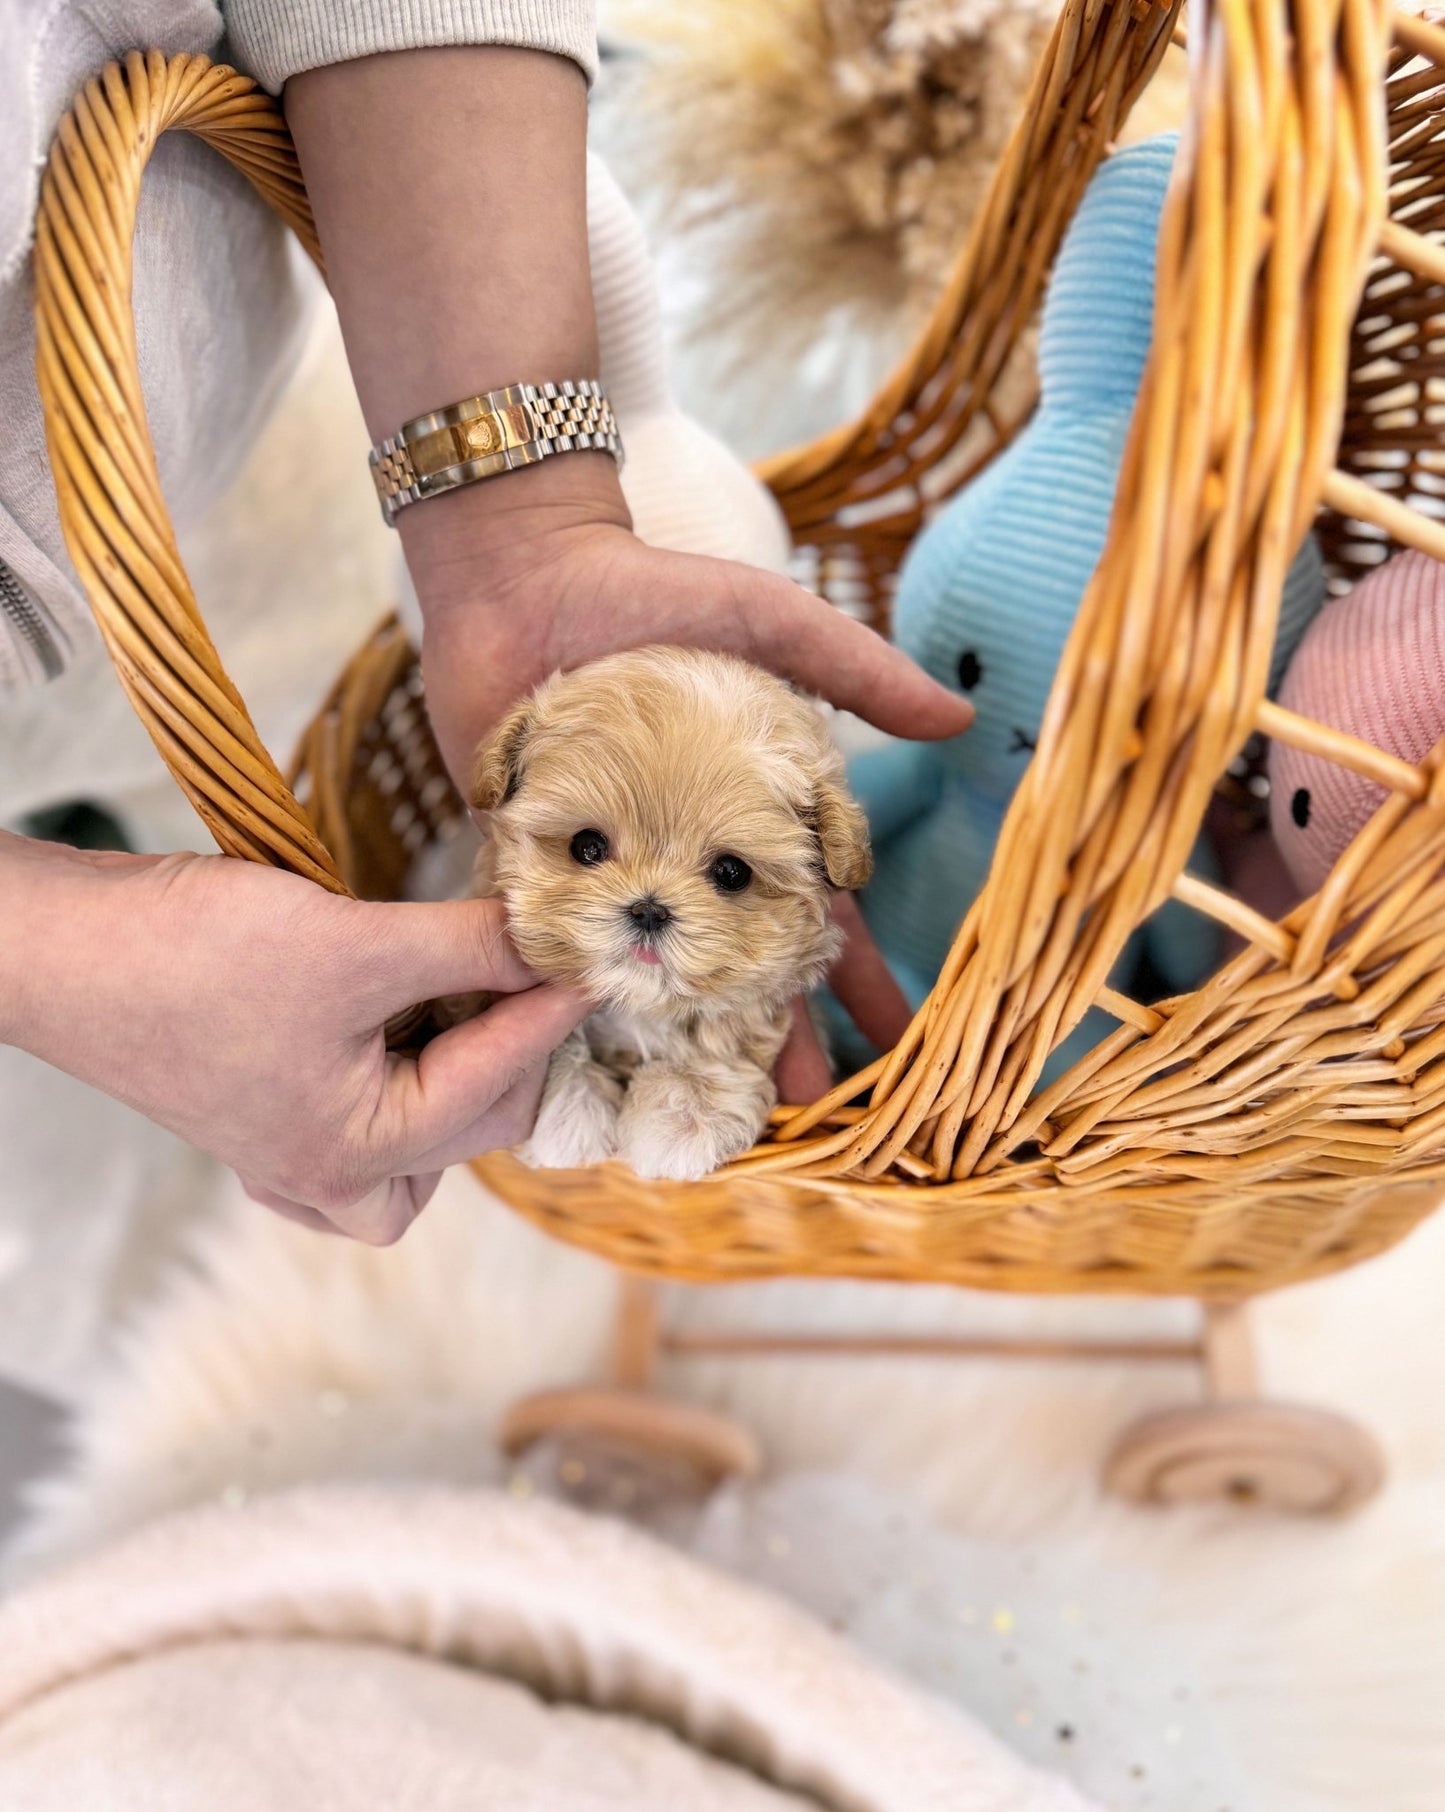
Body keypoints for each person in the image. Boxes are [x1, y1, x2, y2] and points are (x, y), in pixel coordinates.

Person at [0, 3, 971, 1246]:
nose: (648, 908)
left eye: (724, 874)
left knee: (275, 713)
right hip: (172, 499)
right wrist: (57, 958)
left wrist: (512, 525)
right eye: (587, 851)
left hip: (315, 387)